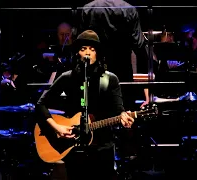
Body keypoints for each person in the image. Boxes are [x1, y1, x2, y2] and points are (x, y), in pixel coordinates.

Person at [35, 30, 134, 180]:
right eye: (83, 49)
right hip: (74, 148)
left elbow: (119, 108)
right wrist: (57, 127)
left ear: (98, 54)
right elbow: (41, 104)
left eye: (92, 49)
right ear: (77, 53)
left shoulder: (110, 79)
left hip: (103, 147)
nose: (88, 52)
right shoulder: (67, 77)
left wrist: (124, 117)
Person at [80, 0, 152, 110]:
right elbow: (139, 47)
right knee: (125, 115)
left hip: (95, 73)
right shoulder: (129, 9)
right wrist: (149, 89)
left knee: (95, 116)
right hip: (122, 72)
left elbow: (80, 45)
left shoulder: (87, 9)